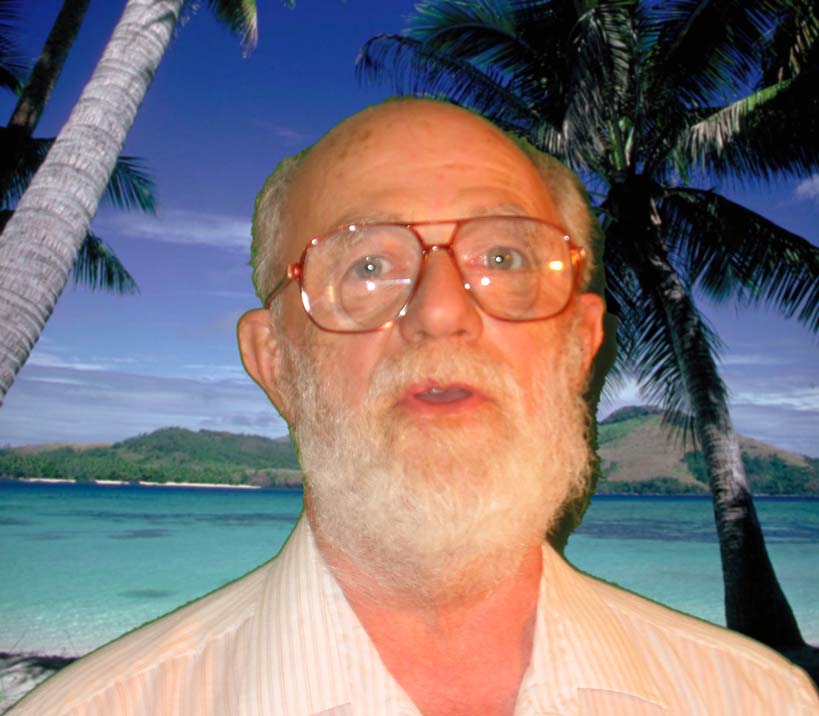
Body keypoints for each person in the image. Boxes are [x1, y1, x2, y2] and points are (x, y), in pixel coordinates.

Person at [10, 99, 818, 716]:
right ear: (274, 361)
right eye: (366, 265)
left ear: (579, 346)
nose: (439, 311)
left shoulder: (756, 702)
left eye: (502, 256)